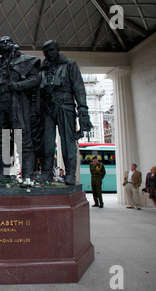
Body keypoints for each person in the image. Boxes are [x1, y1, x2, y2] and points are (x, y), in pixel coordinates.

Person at [39, 40, 93, 185]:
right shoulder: (42, 68)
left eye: (51, 50)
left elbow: (78, 87)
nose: (48, 54)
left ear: (57, 49)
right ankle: (46, 172)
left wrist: (82, 108)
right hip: (47, 107)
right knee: (47, 142)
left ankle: (70, 174)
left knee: (68, 141)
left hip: (65, 106)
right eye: (45, 52)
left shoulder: (70, 64)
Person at [0, 36, 41, 180]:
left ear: (13, 44)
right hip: (0, 105)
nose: (5, 43)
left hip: (18, 104)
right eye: (2, 42)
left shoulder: (25, 60)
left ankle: (27, 176)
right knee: (2, 140)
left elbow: (36, 79)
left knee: (23, 139)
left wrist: (18, 86)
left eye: (8, 41)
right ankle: (4, 174)